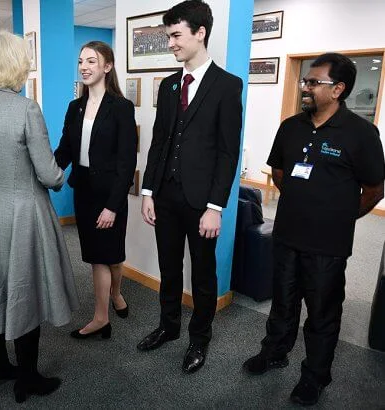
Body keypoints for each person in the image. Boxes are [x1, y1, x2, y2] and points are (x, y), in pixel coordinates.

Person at [243, 53, 385, 405]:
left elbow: (375, 189)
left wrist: (338, 217)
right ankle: (274, 352)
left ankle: (315, 376)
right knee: (283, 304)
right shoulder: (291, 127)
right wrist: (302, 205)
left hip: (328, 243)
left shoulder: (362, 133)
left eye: (313, 82)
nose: (304, 87)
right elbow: (277, 172)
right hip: (288, 234)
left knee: (322, 312)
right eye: (304, 81)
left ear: (337, 89)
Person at [0, 31, 79, 403]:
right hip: (24, 212)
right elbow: (48, 173)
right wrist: (61, 179)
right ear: (15, 64)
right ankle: (27, 377)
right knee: (27, 292)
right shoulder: (25, 108)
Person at [137, 0, 243, 374]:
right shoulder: (168, 85)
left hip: (202, 202)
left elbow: (229, 152)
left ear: (200, 33)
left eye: (176, 35)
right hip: (165, 195)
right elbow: (160, 140)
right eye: (169, 36)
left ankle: (200, 339)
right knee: (168, 267)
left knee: (202, 273)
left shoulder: (228, 86)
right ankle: (168, 326)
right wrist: (148, 192)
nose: (171, 44)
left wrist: (216, 207)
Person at [54, 41, 137, 339]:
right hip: (85, 192)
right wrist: (46, 172)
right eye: (81, 62)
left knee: (112, 255)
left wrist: (113, 206)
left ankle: (115, 294)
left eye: (91, 61)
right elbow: (65, 149)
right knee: (96, 256)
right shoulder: (74, 107)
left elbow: (127, 161)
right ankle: (102, 315)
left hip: (110, 194)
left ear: (107, 66)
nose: (84, 67)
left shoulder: (121, 108)